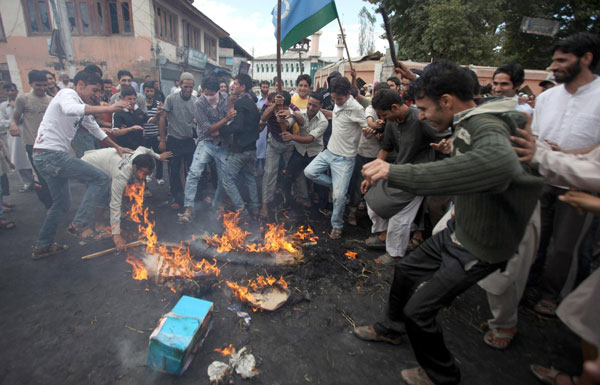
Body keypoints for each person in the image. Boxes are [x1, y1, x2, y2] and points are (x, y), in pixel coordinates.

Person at [354, 60, 543, 385]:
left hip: (481, 243)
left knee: (420, 312)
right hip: (461, 227)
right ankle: (391, 329)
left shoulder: (486, 123)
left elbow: (498, 166)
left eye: (425, 108)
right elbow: (474, 163)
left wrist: (395, 171)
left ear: (447, 101)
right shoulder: (469, 121)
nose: (422, 116)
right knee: (406, 270)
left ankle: (442, 375)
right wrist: (452, 149)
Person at [529, 32, 600, 318]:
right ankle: (528, 284)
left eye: (562, 60)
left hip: (580, 187)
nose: (554, 66)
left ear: (586, 58)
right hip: (540, 181)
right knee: (535, 238)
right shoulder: (546, 98)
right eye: (554, 60)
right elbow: (533, 136)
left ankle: (552, 295)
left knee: (566, 247)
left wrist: (570, 156)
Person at [30, 70, 132, 259]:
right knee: (101, 178)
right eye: (94, 90)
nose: (97, 95)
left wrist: (117, 146)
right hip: (51, 156)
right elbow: (71, 109)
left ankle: (42, 246)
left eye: (100, 91)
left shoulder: (81, 105)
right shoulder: (67, 95)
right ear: (80, 85)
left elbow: (95, 129)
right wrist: (108, 109)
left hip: (45, 157)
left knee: (61, 204)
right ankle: (80, 224)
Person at [361, 88, 441, 264]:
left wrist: (444, 145)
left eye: (383, 115)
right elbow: (386, 148)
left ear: (395, 107)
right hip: (396, 170)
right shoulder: (392, 122)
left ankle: (395, 253)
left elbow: (444, 137)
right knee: (373, 198)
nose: (381, 120)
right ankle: (383, 235)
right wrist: (371, 174)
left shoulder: (420, 119)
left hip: (417, 176)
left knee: (400, 217)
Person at [304, 76, 368, 239]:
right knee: (309, 172)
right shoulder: (338, 104)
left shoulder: (357, 109)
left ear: (347, 94)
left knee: (339, 197)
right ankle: (337, 187)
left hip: (345, 160)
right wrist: (330, 113)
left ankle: (337, 226)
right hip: (329, 152)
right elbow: (339, 115)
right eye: (333, 99)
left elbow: (365, 127)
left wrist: (369, 130)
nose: (336, 102)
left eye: (339, 99)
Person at [81, 146, 172, 251]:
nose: (143, 177)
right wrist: (116, 234)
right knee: (103, 194)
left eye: (147, 174)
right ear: (134, 167)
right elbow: (115, 203)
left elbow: (144, 148)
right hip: (89, 165)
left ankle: (122, 213)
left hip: (107, 160)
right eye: (143, 173)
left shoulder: (139, 156)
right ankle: (98, 225)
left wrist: (158, 156)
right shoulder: (121, 175)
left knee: (129, 184)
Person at [178, 75, 234, 223]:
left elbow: (232, 118)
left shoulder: (225, 98)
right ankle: (188, 208)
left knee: (225, 178)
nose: (208, 96)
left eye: (211, 93)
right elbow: (208, 129)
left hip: (223, 144)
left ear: (217, 91)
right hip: (206, 142)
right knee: (194, 173)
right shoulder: (198, 103)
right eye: (206, 93)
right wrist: (225, 120)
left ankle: (217, 205)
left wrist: (225, 123)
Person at [347, 82, 391, 227]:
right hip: (364, 152)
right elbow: (370, 122)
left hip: (381, 155)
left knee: (377, 185)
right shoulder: (371, 108)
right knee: (359, 183)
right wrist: (376, 127)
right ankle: (352, 211)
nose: (379, 98)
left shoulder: (391, 112)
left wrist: (382, 131)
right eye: (377, 94)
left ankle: (375, 217)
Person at [218, 73, 261, 218]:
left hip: (241, 150)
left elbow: (238, 126)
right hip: (252, 149)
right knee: (249, 177)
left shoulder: (241, 102)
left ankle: (241, 210)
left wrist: (221, 130)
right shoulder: (252, 102)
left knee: (227, 178)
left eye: (235, 83)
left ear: (243, 87)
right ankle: (255, 208)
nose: (232, 86)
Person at [10, 72, 53, 207]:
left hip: (50, 143)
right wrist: (13, 125)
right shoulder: (23, 99)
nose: (41, 88)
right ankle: (48, 204)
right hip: (32, 143)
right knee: (40, 176)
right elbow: (15, 118)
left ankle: (56, 202)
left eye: (44, 85)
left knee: (53, 174)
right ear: (31, 84)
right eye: (38, 85)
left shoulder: (51, 100)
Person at [281, 91, 328, 208]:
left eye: (314, 105)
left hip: (315, 153)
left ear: (320, 106)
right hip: (299, 151)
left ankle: (322, 208)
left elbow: (310, 139)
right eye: (309, 104)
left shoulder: (323, 121)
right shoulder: (300, 114)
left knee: (318, 182)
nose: (311, 108)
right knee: (288, 176)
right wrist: (283, 121)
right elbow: (289, 123)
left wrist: (291, 137)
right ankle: (287, 202)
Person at [258, 90, 300, 218]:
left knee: (292, 173)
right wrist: (275, 106)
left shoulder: (292, 108)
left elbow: (292, 122)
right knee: (269, 172)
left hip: (289, 144)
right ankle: (265, 204)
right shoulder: (270, 106)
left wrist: (286, 117)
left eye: (284, 106)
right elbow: (263, 118)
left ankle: (293, 200)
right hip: (273, 143)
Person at [158, 72, 198, 209]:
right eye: (185, 86)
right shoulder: (171, 99)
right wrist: (162, 140)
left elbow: (198, 120)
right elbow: (162, 118)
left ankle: (192, 197)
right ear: (180, 84)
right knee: (174, 170)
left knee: (193, 170)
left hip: (188, 140)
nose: (188, 90)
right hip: (173, 140)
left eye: (190, 87)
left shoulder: (195, 101)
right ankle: (177, 198)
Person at [1, 82, 34, 194]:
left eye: (12, 90)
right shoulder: (3, 106)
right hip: (13, 136)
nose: (10, 93)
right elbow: (2, 121)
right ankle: (27, 182)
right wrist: (12, 122)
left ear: (17, 91)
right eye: (8, 90)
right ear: (5, 92)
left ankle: (36, 180)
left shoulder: (24, 102)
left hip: (26, 132)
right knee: (17, 159)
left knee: (30, 158)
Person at [141, 81, 164, 183]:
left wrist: (160, 135)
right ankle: (147, 174)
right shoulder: (141, 104)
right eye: (147, 91)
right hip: (145, 135)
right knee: (146, 158)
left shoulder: (159, 104)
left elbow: (162, 120)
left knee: (159, 158)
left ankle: (159, 177)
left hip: (155, 135)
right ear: (144, 91)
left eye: (151, 91)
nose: (149, 93)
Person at [255, 80, 270, 176]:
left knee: (266, 149)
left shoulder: (270, 100)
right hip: (259, 127)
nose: (265, 89)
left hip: (268, 127)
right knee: (258, 147)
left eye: (266, 87)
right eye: (263, 87)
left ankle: (265, 169)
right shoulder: (256, 100)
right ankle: (255, 169)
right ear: (260, 88)